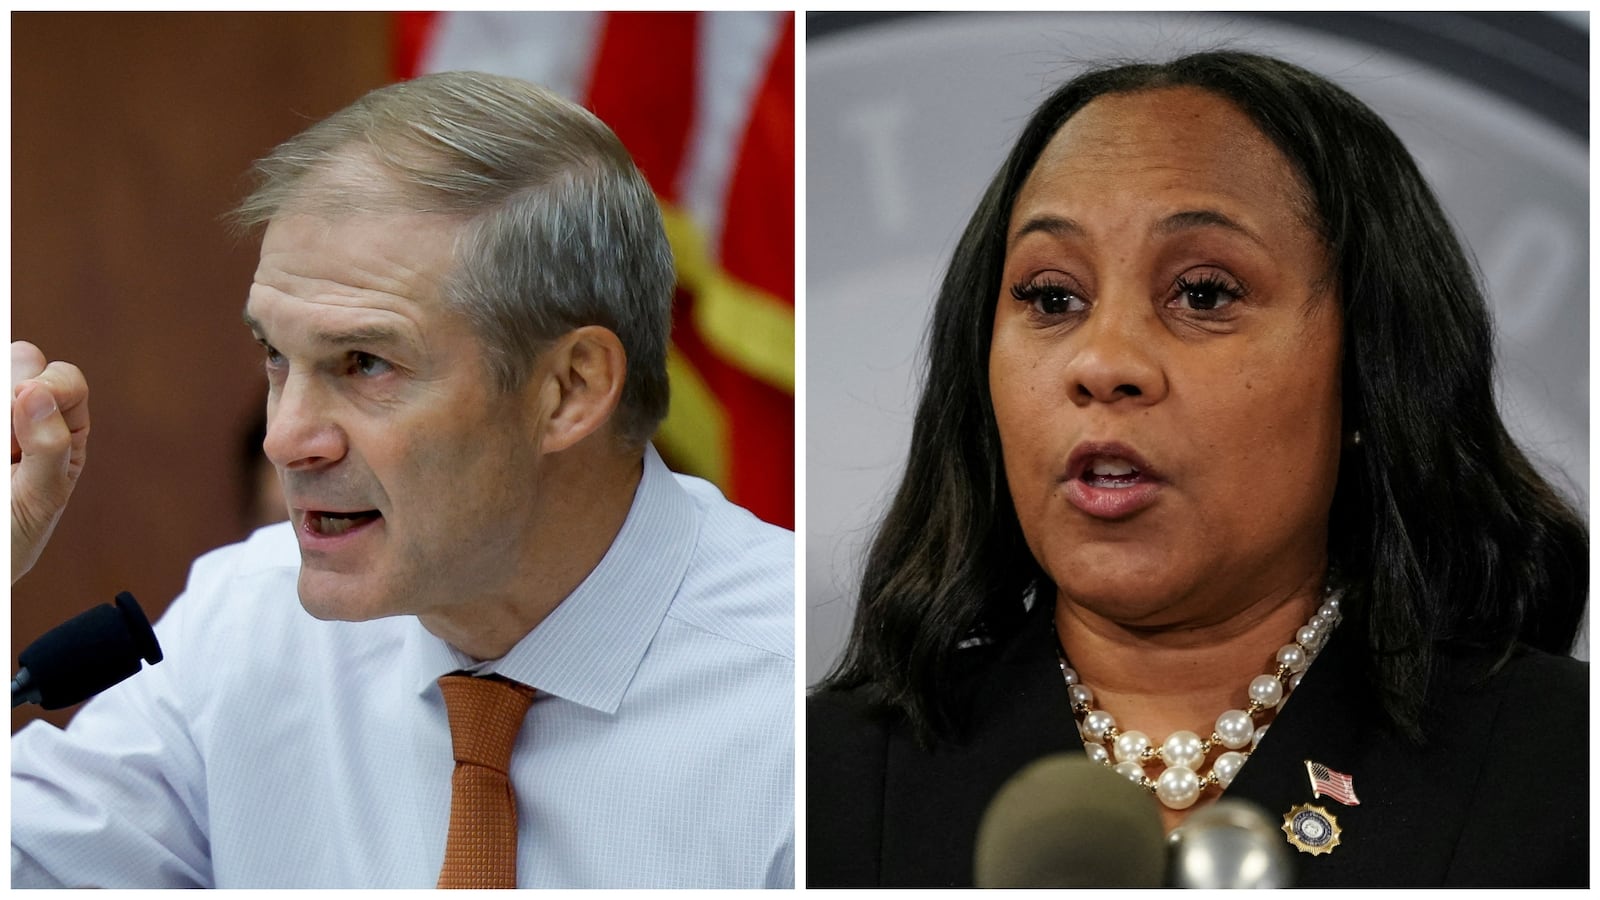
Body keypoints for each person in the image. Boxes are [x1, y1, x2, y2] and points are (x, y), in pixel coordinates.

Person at [807, 51, 1587, 888]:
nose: (1103, 361)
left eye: (1204, 293)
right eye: (1051, 297)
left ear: (1370, 370)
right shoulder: (823, 780)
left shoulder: (1566, 774)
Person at [12, 71, 794, 889]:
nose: (285, 439)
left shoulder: (797, 704)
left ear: (570, 389)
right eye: (277, 357)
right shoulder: (245, 620)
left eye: (365, 364)